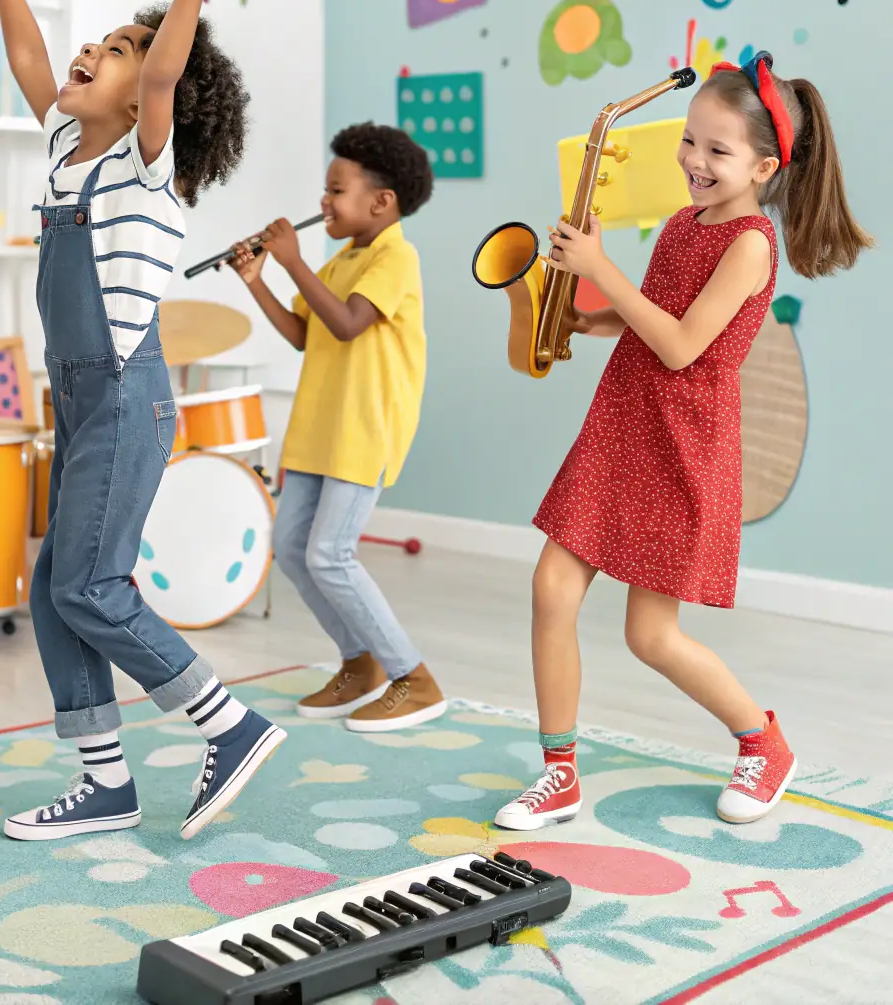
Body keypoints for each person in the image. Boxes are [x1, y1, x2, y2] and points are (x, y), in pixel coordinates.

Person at [0, 0, 285, 841]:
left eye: (117, 47)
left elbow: (170, 69)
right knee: (55, 590)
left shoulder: (145, 166)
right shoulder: (64, 147)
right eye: (97, 41)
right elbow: (27, 54)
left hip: (129, 402)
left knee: (89, 586)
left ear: (148, 95)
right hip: (80, 402)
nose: (92, 50)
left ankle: (225, 722)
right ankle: (106, 782)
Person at [495, 53, 871, 832]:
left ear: (765, 165)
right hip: (622, 422)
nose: (695, 161)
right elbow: (648, 319)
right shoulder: (682, 221)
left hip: (679, 444)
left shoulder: (752, 245)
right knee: (551, 590)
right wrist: (581, 315)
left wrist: (600, 267)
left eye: (717, 150)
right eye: (691, 142)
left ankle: (764, 744)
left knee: (651, 635)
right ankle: (558, 774)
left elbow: (680, 346)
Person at [231, 122, 446, 731]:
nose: (323, 202)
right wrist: (259, 281)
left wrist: (293, 261)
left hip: (362, 431)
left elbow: (350, 323)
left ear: (381, 203)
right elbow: (306, 333)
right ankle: (359, 664)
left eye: (336, 190)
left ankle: (413, 677)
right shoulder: (344, 258)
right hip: (317, 429)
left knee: (331, 553)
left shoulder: (396, 257)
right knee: (294, 551)